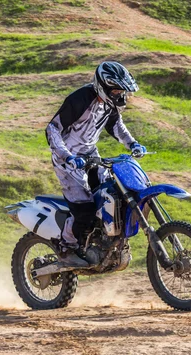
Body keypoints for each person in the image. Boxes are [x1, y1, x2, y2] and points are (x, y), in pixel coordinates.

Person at [45, 61, 147, 268]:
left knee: (112, 195)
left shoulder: (109, 104)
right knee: (85, 209)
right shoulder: (80, 99)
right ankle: (66, 247)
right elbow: (52, 129)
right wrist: (67, 156)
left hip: (91, 155)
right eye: (117, 90)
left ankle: (104, 243)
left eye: (122, 91)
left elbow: (116, 125)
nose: (121, 95)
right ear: (104, 86)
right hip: (68, 161)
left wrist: (133, 144)